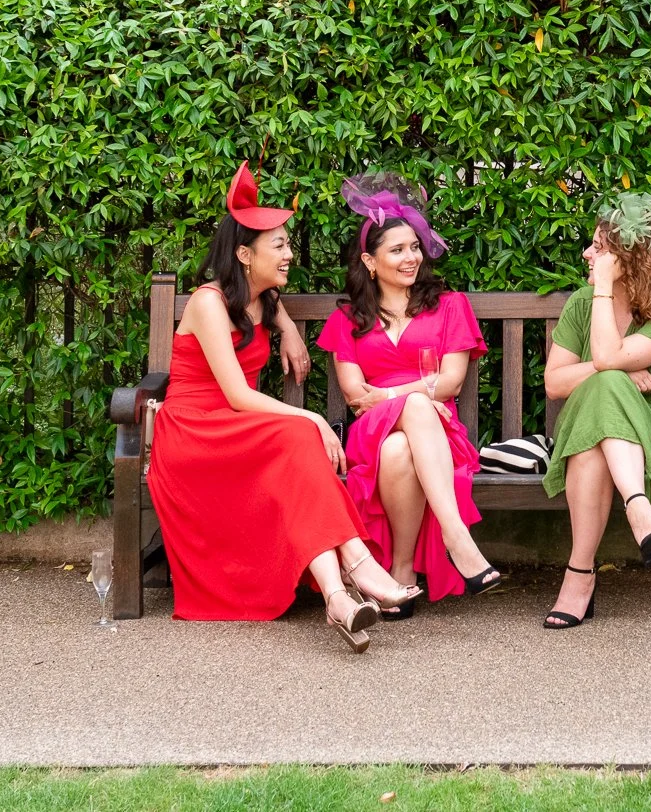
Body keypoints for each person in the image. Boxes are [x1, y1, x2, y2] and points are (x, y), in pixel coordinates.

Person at [146, 162, 414, 652]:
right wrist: (312, 416)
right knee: (299, 435)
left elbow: (272, 309)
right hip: (195, 432)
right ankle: (358, 565)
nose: (290, 253)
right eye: (281, 246)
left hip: (236, 431)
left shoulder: (262, 296)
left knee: (295, 447)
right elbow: (238, 396)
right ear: (245, 255)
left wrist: (288, 326)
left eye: (288, 243)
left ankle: (339, 598)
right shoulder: (208, 303)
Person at [316, 174, 504, 615]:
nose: (411, 258)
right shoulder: (349, 318)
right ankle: (457, 538)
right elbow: (353, 393)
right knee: (416, 407)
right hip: (370, 436)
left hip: (438, 435)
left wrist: (389, 395)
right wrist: (416, 394)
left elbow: (452, 381)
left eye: (414, 247)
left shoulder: (449, 304)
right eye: (397, 250)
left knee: (402, 446)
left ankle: (402, 569)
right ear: (370, 260)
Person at [540, 193, 651, 629]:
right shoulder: (580, 303)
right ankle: (638, 504)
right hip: (589, 425)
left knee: (599, 409)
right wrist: (619, 372)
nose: (588, 254)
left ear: (628, 260)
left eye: (599, 248)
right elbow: (555, 384)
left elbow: (606, 359)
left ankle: (578, 576)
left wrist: (605, 367)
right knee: (608, 385)